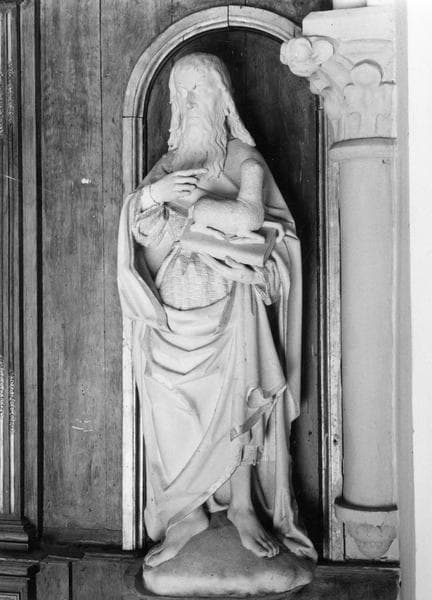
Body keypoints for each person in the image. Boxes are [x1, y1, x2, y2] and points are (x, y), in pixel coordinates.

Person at [117, 53, 316, 568]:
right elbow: (141, 233)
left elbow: (277, 240)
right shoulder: (168, 168)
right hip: (169, 322)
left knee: (239, 407)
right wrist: (152, 196)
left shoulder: (245, 160)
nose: (188, 102)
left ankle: (244, 508)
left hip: (230, 314)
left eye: (198, 90)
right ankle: (187, 516)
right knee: (168, 415)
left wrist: (248, 259)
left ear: (222, 99)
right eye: (180, 93)